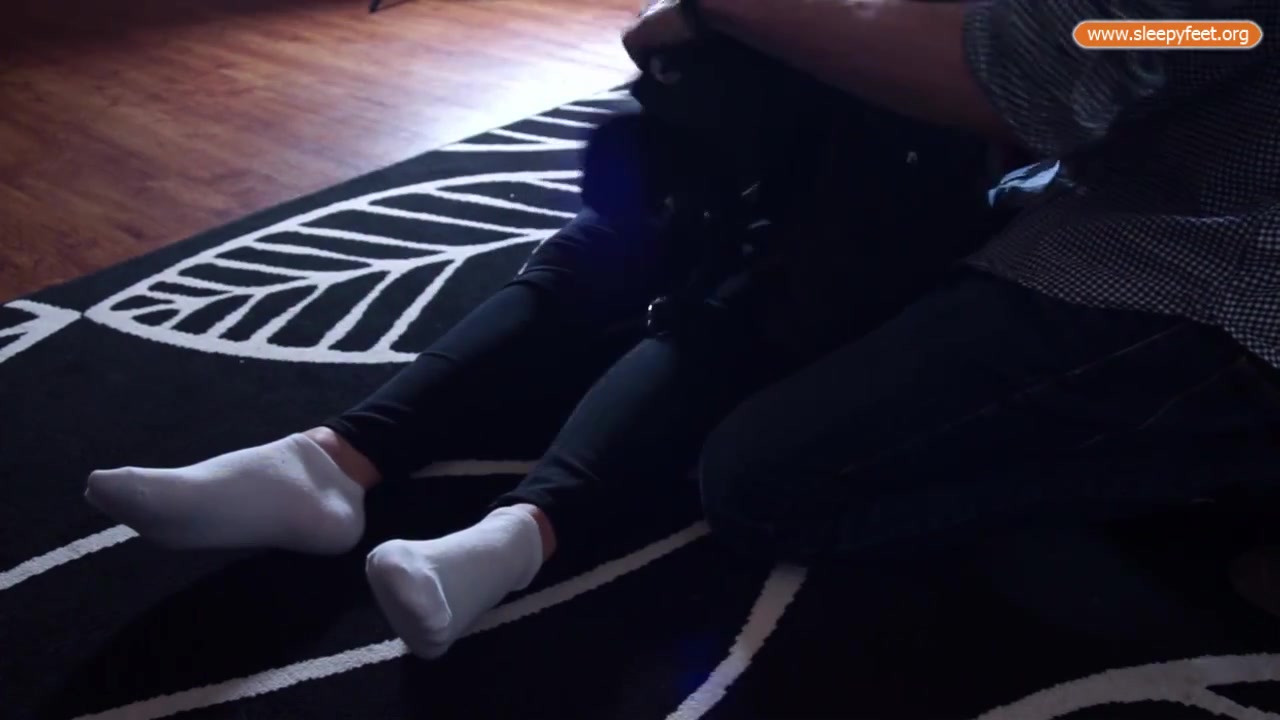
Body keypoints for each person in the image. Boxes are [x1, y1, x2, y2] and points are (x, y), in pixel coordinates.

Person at [85, 0, 1280, 660]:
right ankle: (334, 460)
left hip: (1210, 255)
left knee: (769, 471)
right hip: (1090, 156)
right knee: (664, 226)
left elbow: (1067, 64)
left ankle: (521, 530)